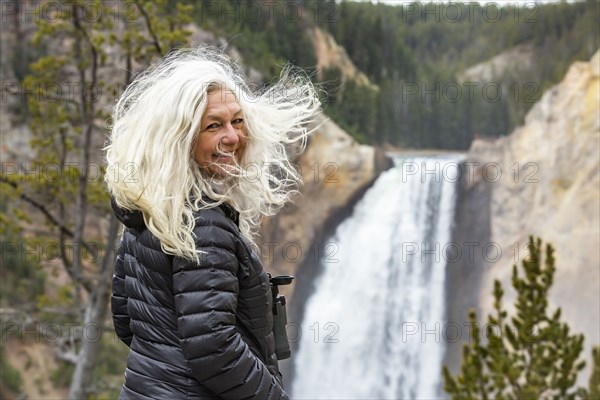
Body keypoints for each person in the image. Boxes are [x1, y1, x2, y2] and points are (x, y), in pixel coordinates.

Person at [104, 46, 320, 399]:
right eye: (214, 125)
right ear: (180, 139)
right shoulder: (202, 224)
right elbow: (215, 351)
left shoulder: (150, 211)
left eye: (237, 121)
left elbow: (127, 320)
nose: (233, 137)